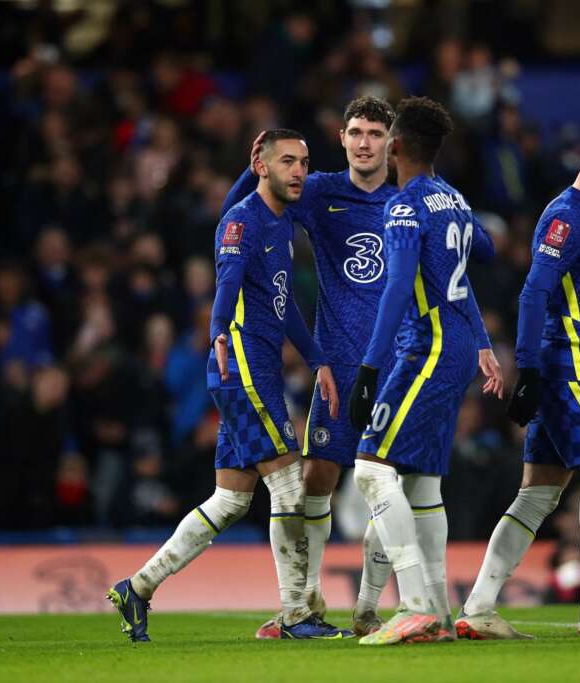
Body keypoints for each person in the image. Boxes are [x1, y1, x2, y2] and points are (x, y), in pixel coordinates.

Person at [107, 129, 349, 642]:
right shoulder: (243, 221)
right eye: (287, 161)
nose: (300, 171)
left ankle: (138, 587)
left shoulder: (281, 225)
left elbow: (283, 310)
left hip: (258, 365)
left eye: (305, 162)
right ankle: (296, 615)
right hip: (242, 365)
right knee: (287, 482)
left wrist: (317, 360)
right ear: (262, 166)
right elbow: (227, 283)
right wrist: (218, 329)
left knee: (232, 499)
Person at [222, 97, 418, 639]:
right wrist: (256, 161)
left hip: (397, 366)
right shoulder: (320, 190)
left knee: (388, 483)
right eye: (356, 131)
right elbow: (243, 211)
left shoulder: (410, 199)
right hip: (338, 364)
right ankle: (305, 601)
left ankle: (369, 606)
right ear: (341, 136)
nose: (364, 142)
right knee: (316, 479)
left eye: (375, 134)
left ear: (391, 142)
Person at [455, 113, 580, 640]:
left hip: (571, 367)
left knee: (537, 497)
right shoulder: (568, 214)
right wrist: (532, 370)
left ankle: (477, 608)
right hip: (569, 372)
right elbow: (534, 292)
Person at [346, 96, 504, 646]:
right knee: (423, 483)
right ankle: (437, 605)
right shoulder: (454, 199)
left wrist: (369, 366)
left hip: (428, 347)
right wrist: (483, 340)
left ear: (396, 147)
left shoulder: (404, 205)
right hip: (457, 346)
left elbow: (396, 289)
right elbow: (481, 252)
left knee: (369, 467)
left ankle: (414, 607)